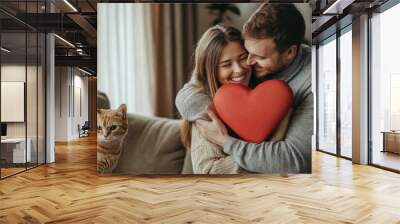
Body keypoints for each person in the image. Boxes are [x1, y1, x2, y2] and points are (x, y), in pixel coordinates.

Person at [176, 3, 312, 173]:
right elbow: (210, 171)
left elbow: (292, 160)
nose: (247, 64)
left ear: (290, 53)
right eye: (248, 52)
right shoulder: (213, 97)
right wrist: (216, 113)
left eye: (258, 56)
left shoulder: (311, 82)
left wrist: (227, 142)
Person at [180, 24, 290, 174]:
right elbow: (209, 171)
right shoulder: (204, 111)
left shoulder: (268, 93)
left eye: (243, 58)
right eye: (226, 64)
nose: (238, 69)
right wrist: (270, 146)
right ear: (211, 71)